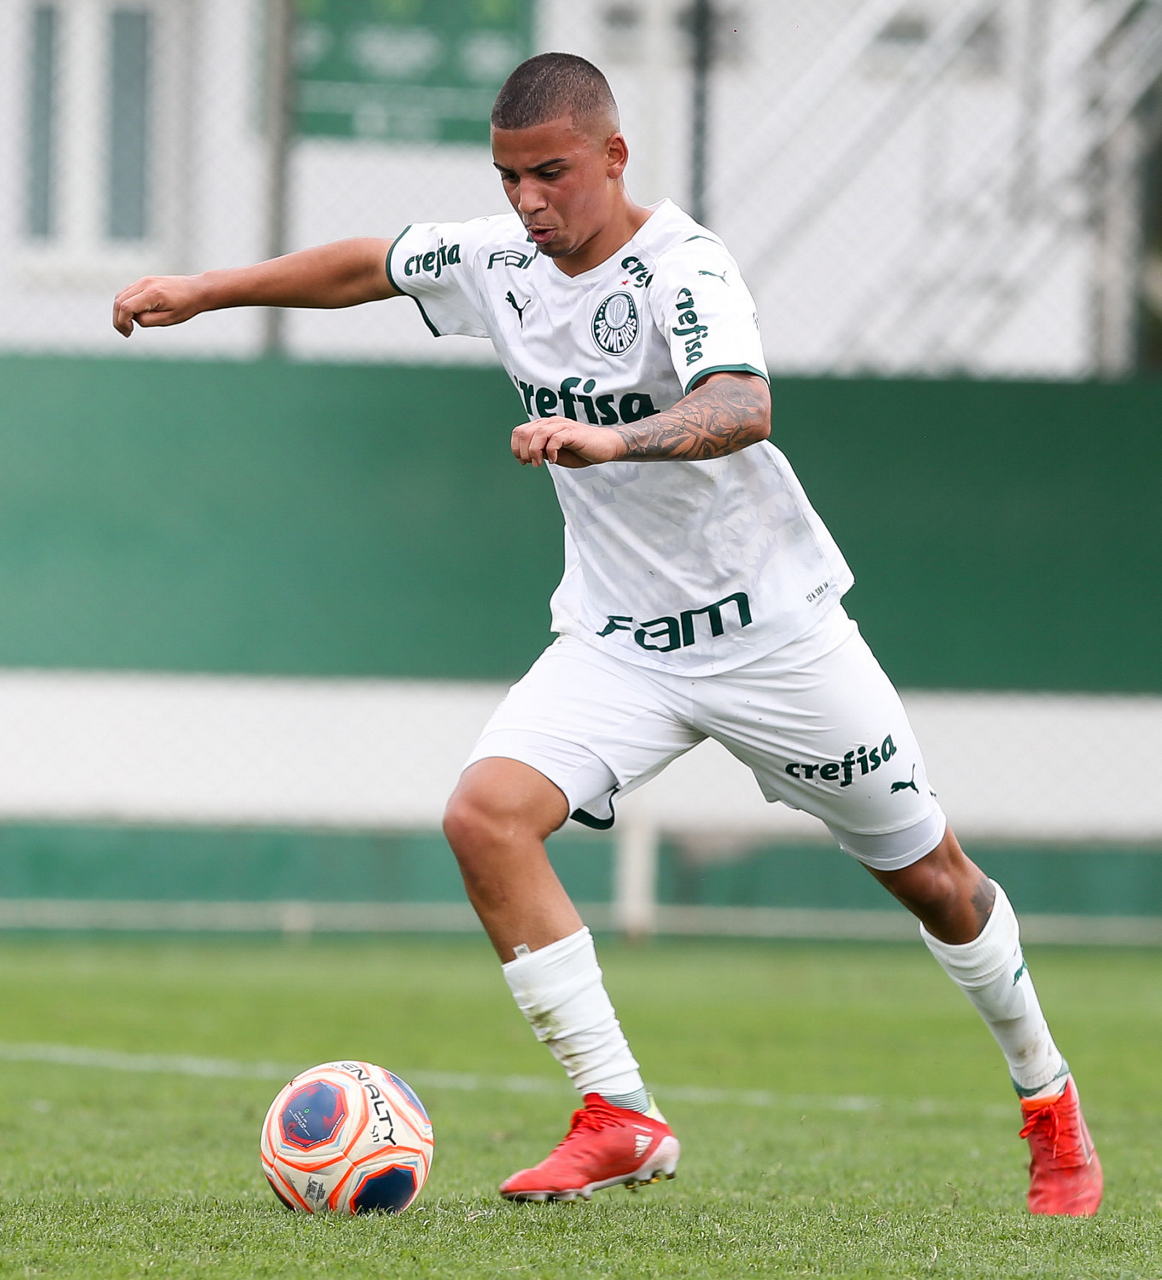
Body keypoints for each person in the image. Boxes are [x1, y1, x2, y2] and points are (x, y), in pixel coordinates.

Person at [112, 52, 1101, 1216]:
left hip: (773, 638)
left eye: (551, 173)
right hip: (619, 644)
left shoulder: (684, 265)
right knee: (484, 816)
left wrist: (613, 439)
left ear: (613, 156)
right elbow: (364, 265)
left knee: (934, 880)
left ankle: (1048, 1100)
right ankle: (618, 1112)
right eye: (508, 177)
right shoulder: (497, 260)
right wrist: (205, 291)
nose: (527, 201)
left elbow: (742, 402)